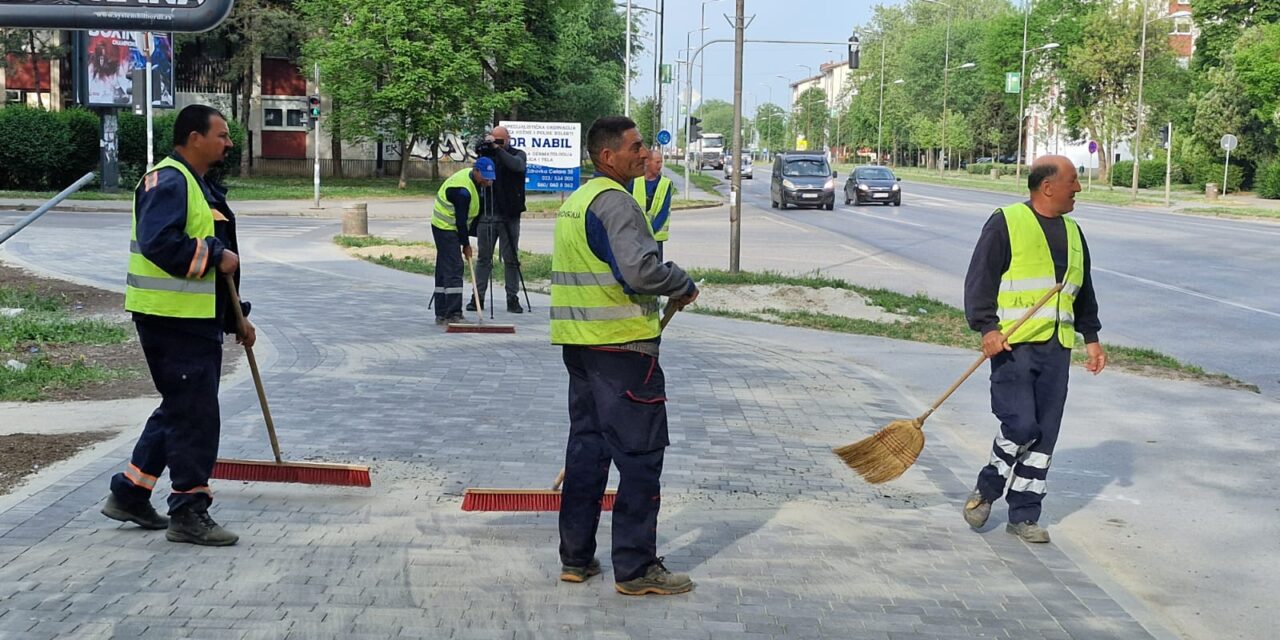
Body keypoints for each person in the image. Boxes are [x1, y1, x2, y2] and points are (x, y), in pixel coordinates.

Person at [552, 116, 700, 596]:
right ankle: (635, 570)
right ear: (607, 157)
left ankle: (575, 559)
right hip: (624, 353)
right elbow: (639, 271)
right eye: (636, 147)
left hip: (581, 348)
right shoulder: (616, 204)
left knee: (587, 453)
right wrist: (680, 281)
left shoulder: (577, 202)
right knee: (639, 459)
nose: (644, 153)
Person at [101, 104, 251, 547]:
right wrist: (213, 253)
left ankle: (130, 493)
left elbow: (213, 265)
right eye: (221, 135)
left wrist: (235, 316)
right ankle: (188, 510)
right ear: (193, 137)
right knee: (194, 415)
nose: (228, 142)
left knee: (181, 406)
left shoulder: (196, 182)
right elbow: (159, 242)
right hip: (172, 320)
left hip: (193, 318)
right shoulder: (168, 179)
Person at [961, 154, 1107, 544]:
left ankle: (1024, 514)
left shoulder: (1075, 232)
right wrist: (986, 328)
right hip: (1013, 346)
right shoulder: (1006, 222)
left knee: (1044, 437)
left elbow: (1084, 292)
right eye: (1073, 181)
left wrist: (1091, 339)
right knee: (1022, 425)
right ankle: (988, 488)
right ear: (1048, 187)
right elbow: (980, 279)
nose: (1078, 188)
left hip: (1057, 349)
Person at [469, 125, 527, 313]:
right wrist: (484, 148)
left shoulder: (518, 154)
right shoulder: (487, 155)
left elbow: (516, 166)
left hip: (510, 214)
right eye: (494, 140)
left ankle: (512, 298)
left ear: (508, 139)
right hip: (488, 213)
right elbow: (474, 172)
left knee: (511, 259)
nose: (497, 144)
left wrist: (498, 150)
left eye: (501, 141)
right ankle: (478, 297)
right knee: (483, 258)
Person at [431, 158, 495, 324]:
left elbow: (470, 216)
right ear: (476, 171)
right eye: (486, 177)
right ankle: (453, 314)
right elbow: (460, 221)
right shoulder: (462, 191)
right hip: (445, 226)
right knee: (454, 266)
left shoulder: (475, 184)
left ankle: (442, 313)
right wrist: (465, 245)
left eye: (491, 178)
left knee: (445, 266)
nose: (488, 181)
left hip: (451, 226)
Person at [630, 149, 673, 258]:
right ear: (647, 162)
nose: (660, 165)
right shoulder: (634, 182)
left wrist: (649, 233)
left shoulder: (665, 184)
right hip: (635, 237)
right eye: (657, 162)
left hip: (655, 238)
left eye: (661, 162)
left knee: (655, 271)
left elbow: (663, 212)